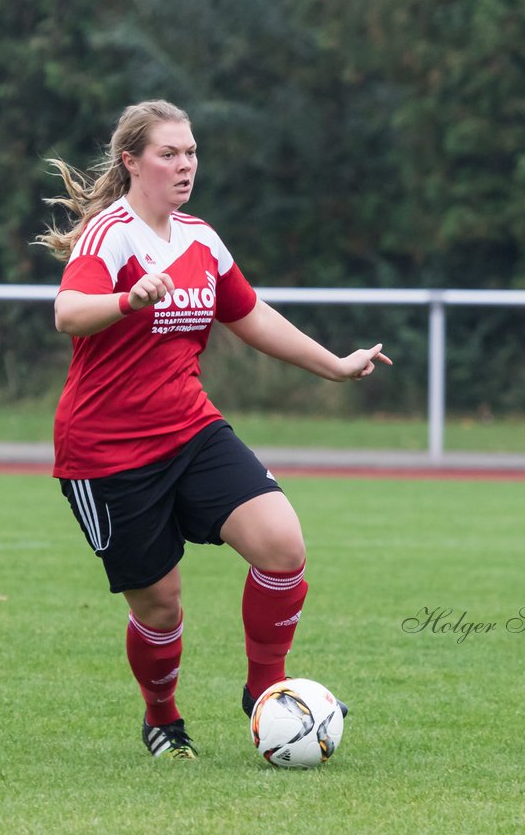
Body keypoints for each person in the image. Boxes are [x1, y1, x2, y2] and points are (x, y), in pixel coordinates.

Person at [36, 99, 391, 760]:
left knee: (282, 545)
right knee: (161, 608)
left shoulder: (200, 238)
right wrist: (128, 299)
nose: (185, 164)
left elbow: (251, 315)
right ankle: (163, 720)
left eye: (192, 151)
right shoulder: (109, 235)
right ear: (132, 161)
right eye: (169, 153)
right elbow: (68, 312)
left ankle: (264, 690)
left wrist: (335, 367)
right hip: (107, 454)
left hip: (191, 430)